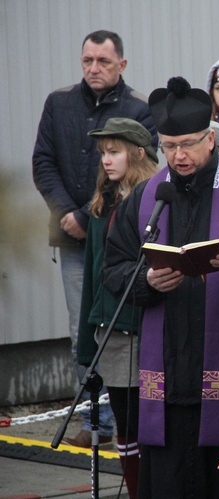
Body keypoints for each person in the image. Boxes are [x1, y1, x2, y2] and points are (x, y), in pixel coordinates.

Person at [102, 76, 219, 498]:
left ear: (211, 138)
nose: (179, 155)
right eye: (169, 146)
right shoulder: (147, 197)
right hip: (168, 385)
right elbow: (114, 268)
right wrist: (147, 281)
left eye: (189, 143)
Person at [32, 29, 156, 448]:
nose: (93, 69)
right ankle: (96, 419)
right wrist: (68, 213)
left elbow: (143, 168)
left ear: (121, 64)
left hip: (107, 227)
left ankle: (119, 420)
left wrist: (89, 216)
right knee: (82, 326)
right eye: (87, 60)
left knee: (122, 325)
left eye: (103, 61)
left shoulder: (139, 108)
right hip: (71, 235)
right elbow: (43, 161)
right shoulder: (59, 102)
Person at [78, 118, 158, 497]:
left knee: (151, 422)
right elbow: (93, 281)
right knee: (125, 422)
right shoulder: (100, 207)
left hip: (147, 329)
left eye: (115, 152)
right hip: (110, 331)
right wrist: (86, 349)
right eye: (103, 154)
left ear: (139, 153)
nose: (106, 161)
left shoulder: (156, 201)